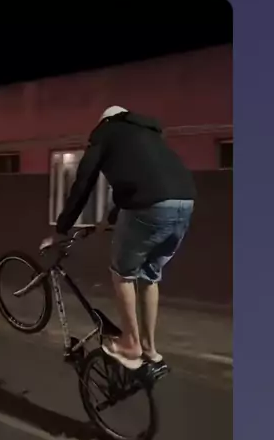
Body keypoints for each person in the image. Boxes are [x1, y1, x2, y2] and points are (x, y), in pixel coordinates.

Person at [40, 106, 196, 370]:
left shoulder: (106, 133)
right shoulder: (148, 135)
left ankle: (130, 343)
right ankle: (150, 349)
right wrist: (108, 221)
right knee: (150, 275)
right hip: (184, 203)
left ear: (105, 121)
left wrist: (61, 230)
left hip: (149, 206)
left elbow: (83, 183)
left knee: (122, 272)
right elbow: (139, 184)